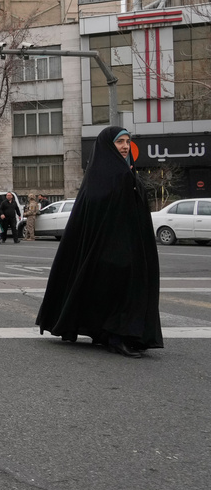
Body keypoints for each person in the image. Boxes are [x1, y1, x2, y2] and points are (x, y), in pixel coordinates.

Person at [37, 127, 162, 357]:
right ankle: (116, 336)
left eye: (127, 141)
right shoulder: (112, 175)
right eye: (119, 142)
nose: (125, 146)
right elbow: (105, 211)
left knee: (107, 288)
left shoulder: (118, 172)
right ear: (107, 146)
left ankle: (106, 333)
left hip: (121, 246)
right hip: (113, 248)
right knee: (118, 289)